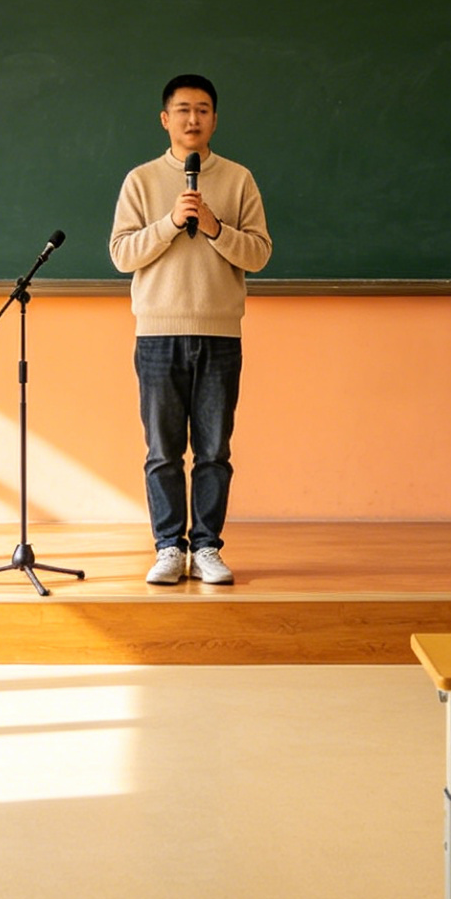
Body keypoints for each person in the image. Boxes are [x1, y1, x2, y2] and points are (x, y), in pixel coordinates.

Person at [109, 74, 272, 586]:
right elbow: (121, 254)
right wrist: (170, 223)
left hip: (220, 334)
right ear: (165, 119)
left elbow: (260, 254)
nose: (192, 119)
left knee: (214, 451)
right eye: (183, 110)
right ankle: (167, 547)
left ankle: (205, 547)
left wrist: (217, 228)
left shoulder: (239, 179)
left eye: (202, 110)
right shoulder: (140, 180)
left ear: (215, 120)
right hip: (157, 334)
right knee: (162, 452)